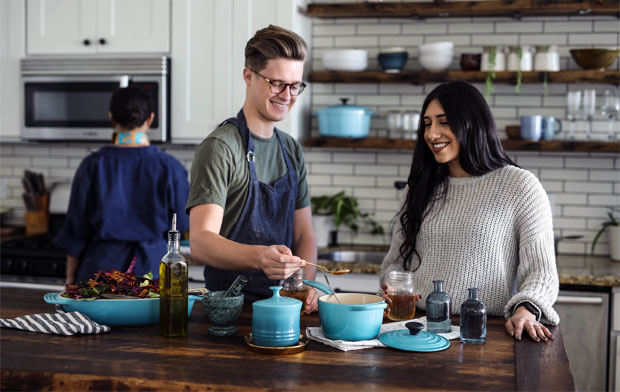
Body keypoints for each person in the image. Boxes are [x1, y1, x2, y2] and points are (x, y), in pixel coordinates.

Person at [380, 81, 559, 342]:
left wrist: (526, 310)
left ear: (472, 124)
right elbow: (395, 264)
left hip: (484, 331)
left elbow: (541, 272)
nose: (432, 134)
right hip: (415, 329)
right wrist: (390, 287)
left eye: (444, 122)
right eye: (427, 124)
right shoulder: (419, 188)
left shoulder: (520, 186)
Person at [186, 25, 318, 311]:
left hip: (285, 308)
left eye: (295, 86)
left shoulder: (291, 149)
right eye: (277, 83)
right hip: (230, 313)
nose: (287, 95)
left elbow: (304, 233)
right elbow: (200, 242)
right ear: (249, 76)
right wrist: (260, 257)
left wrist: (306, 282)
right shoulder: (221, 147)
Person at [54, 86, 189, 284]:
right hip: (152, 273)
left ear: (111, 118)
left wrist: (69, 279)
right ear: (150, 119)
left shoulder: (92, 165)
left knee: (91, 318)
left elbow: (76, 231)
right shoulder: (170, 168)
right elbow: (183, 224)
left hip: (100, 274)